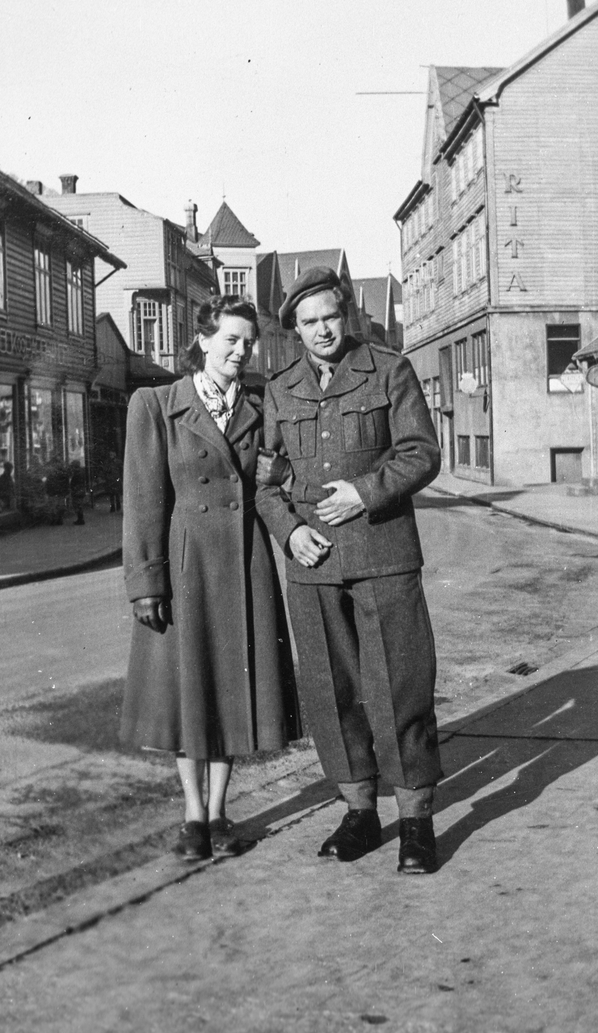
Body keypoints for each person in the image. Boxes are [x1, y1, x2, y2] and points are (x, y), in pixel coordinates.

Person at [256, 267, 442, 874]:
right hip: (313, 563)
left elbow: (421, 452)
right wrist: (290, 531)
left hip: (383, 553)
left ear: (348, 316)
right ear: (295, 330)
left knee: (399, 687)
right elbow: (264, 478)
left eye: (329, 318)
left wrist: (365, 493)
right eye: (308, 323)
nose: (321, 331)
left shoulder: (389, 370)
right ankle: (360, 811)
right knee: (331, 694)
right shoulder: (280, 389)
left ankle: (415, 822)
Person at [120, 295, 301, 861]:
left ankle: (220, 811)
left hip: (245, 561)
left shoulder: (259, 406)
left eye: (249, 343)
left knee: (234, 690)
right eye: (231, 340)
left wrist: (283, 471)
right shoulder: (155, 405)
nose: (241, 352)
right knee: (188, 691)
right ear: (202, 341)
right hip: (185, 563)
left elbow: (277, 477)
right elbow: (143, 500)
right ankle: (193, 815)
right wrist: (146, 581)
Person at [69, 460, 86, 525]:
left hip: (77, 491)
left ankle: (80, 519)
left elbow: (74, 483)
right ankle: (80, 519)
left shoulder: (77, 473)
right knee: (80, 505)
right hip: (81, 490)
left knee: (77, 505)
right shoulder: (81, 472)